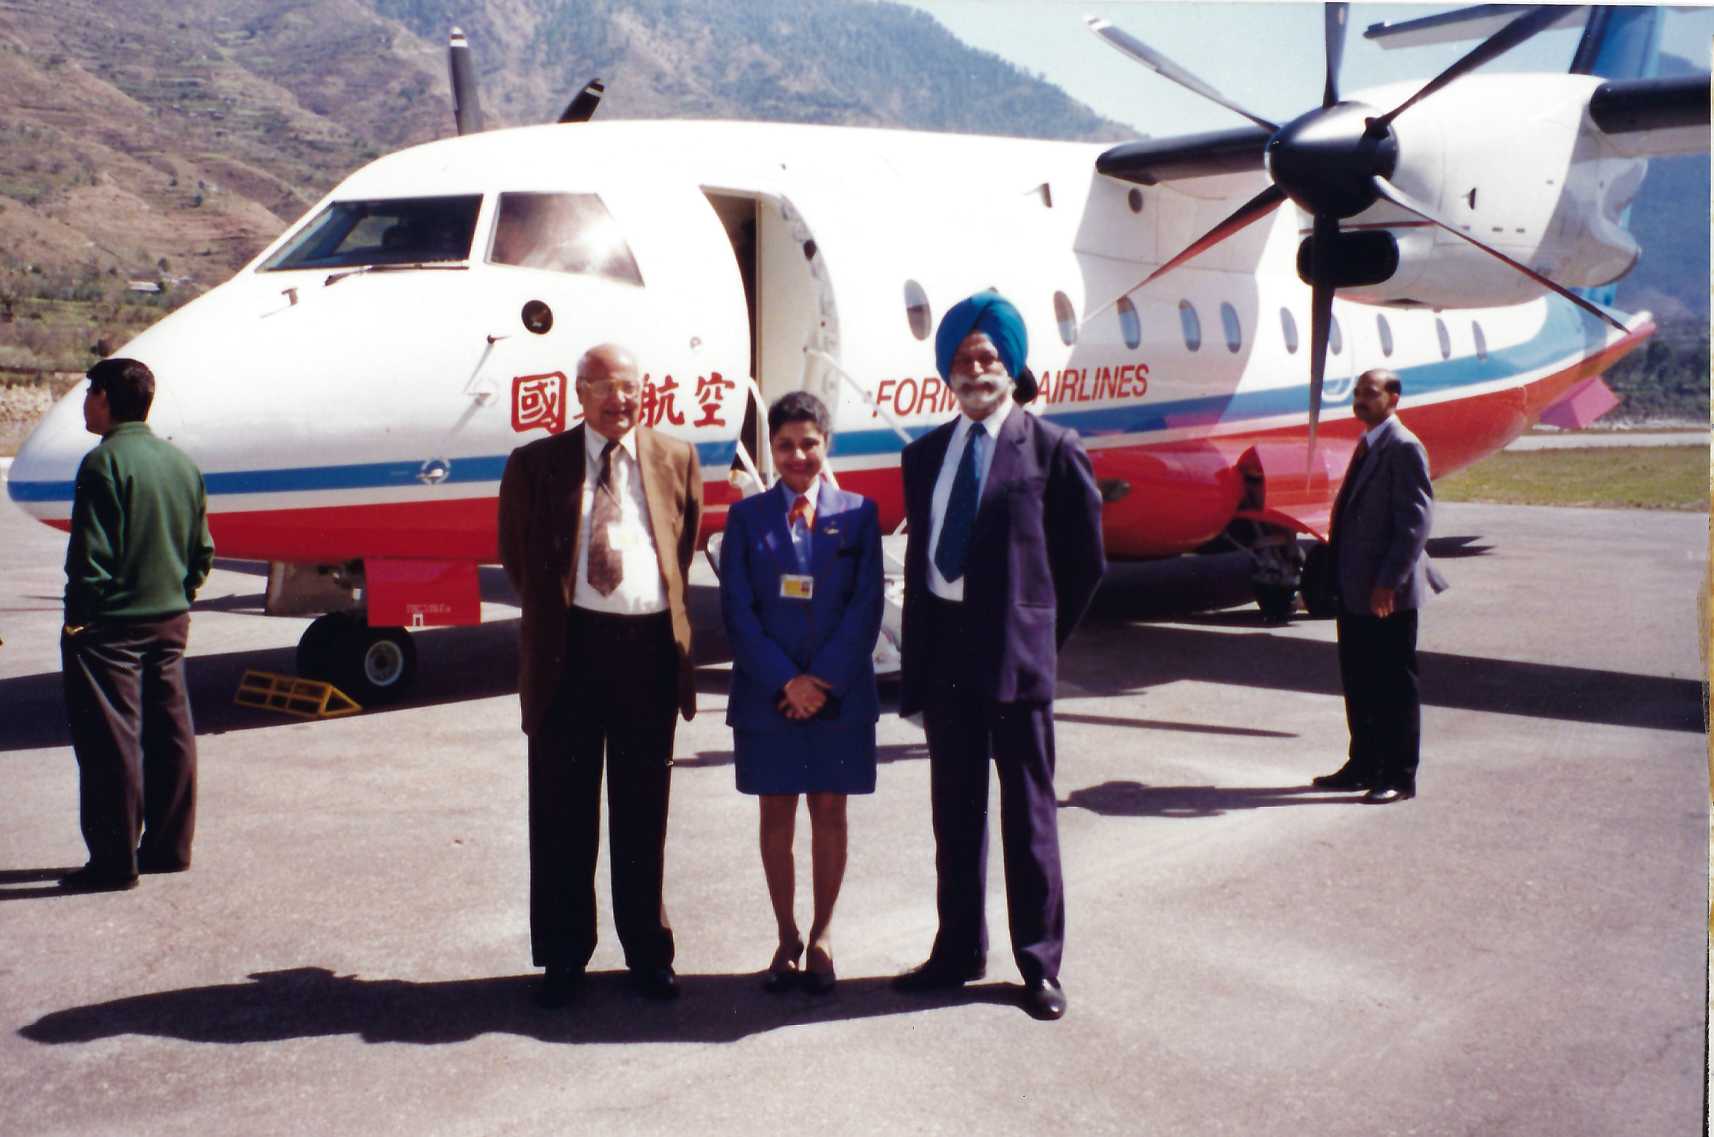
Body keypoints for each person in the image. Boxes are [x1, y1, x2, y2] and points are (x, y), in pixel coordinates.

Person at [890, 291, 1105, 1021]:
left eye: (987, 356)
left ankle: (1039, 964)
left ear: (1011, 365)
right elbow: (923, 557)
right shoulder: (924, 456)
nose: (975, 368)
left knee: (1029, 814)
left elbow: (1084, 562)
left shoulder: (1052, 448)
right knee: (955, 813)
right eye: (961, 358)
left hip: (1016, 657)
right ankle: (957, 951)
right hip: (945, 654)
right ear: (946, 371)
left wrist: (1039, 635)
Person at [498, 343, 702, 1008]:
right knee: (563, 812)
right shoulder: (536, 464)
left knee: (644, 813)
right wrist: (568, 619)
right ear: (578, 393)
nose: (620, 399)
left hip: (648, 653)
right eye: (605, 387)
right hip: (570, 652)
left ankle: (648, 951)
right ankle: (564, 956)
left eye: (630, 386)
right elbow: (518, 558)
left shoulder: (676, 458)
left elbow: (681, 549)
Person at [719, 392, 883, 995]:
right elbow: (737, 610)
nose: (797, 455)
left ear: (826, 444)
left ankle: (823, 934)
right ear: (771, 447)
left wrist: (821, 681)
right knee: (776, 812)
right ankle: (786, 935)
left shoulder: (859, 515)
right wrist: (785, 680)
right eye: (785, 444)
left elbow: (866, 607)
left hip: (838, 695)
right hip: (770, 695)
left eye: (809, 443)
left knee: (831, 810)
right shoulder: (747, 518)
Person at [59, 357, 215, 892]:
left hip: (111, 628)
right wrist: (177, 595)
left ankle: (113, 862)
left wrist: (79, 620)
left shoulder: (103, 463)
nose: (85, 404)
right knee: (171, 734)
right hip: (169, 620)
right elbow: (202, 551)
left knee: (111, 743)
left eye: (89, 393)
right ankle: (170, 849)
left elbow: (91, 558)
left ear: (105, 397)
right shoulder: (179, 462)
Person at [1312, 367, 1445, 804]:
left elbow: (1414, 525)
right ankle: (1363, 764)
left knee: (1393, 685)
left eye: (1370, 393)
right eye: (1358, 392)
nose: (1360, 399)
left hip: (1387, 593)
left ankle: (1399, 776)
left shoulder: (1404, 447)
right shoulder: (1369, 443)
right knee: (1359, 681)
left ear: (1394, 398)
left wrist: (1388, 582)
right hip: (1356, 588)